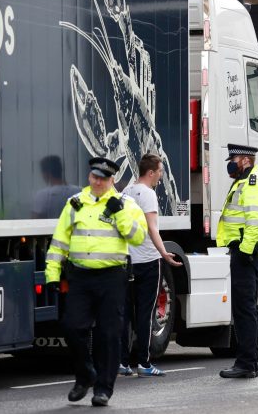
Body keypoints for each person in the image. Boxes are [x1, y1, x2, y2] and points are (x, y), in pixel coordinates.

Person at [45, 157, 148, 407]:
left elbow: (138, 237)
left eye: (103, 178)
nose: (98, 181)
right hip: (80, 276)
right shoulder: (75, 204)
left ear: (112, 180)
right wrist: (52, 273)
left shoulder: (126, 204)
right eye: (94, 177)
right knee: (71, 327)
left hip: (112, 277)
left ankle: (103, 388)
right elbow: (60, 241)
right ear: (89, 177)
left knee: (109, 335)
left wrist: (119, 213)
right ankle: (85, 375)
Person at [118, 153, 183, 378]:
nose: (161, 175)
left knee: (125, 313)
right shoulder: (148, 194)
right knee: (145, 314)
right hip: (147, 260)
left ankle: (123, 363)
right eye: (160, 171)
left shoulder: (125, 192)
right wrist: (164, 253)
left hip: (128, 261)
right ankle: (144, 364)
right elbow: (152, 228)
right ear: (151, 172)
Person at [216, 144, 258, 379]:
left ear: (246, 161)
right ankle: (248, 362)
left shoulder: (251, 184)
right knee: (244, 308)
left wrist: (245, 251)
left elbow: (255, 220)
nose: (231, 163)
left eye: (234, 159)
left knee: (245, 309)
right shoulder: (244, 182)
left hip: (245, 252)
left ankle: (247, 363)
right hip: (243, 251)